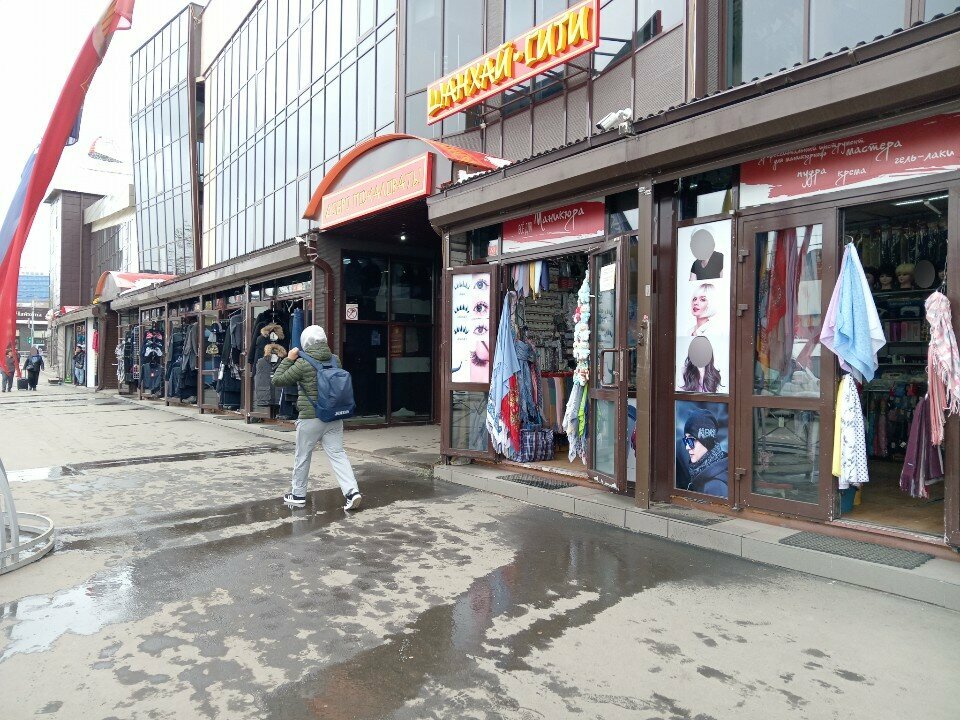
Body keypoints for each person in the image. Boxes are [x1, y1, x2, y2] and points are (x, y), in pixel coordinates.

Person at [271, 325, 362, 511]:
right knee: (338, 454)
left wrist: (289, 359)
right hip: (334, 416)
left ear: (305, 342)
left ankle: (298, 495)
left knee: (303, 456)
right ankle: (352, 492)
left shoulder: (302, 363)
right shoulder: (335, 360)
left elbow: (277, 380)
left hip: (310, 418)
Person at [679, 409, 728, 498]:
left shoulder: (715, 487)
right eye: (686, 440)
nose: (687, 447)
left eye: (691, 440)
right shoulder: (699, 471)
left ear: (706, 441)